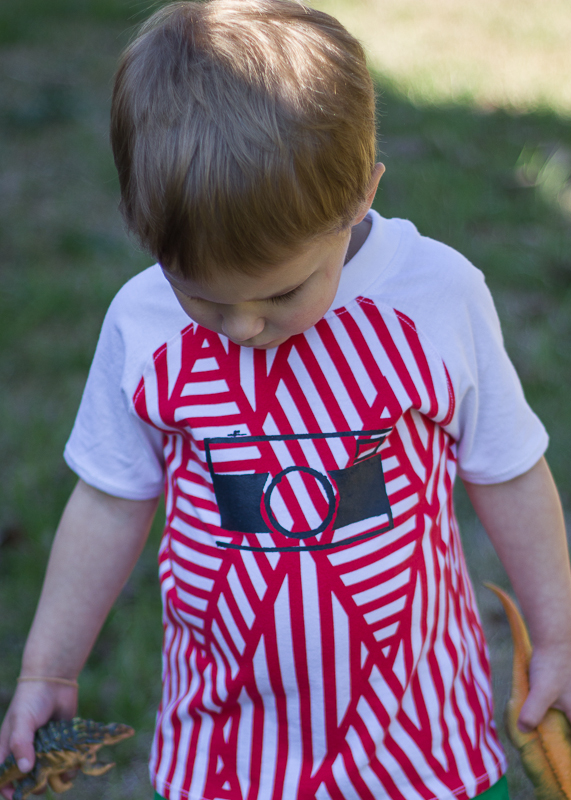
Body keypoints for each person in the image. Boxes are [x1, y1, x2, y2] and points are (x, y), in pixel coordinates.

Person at [1, 1, 571, 799]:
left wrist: (557, 638)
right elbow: (108, 499)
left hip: (416, 743)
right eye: (201, 297)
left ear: (359, 197)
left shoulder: (434, 297)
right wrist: (48, 666)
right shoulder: (144, 322)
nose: (240, 328)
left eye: (280, 292)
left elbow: (508, 471)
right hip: (224, 750)